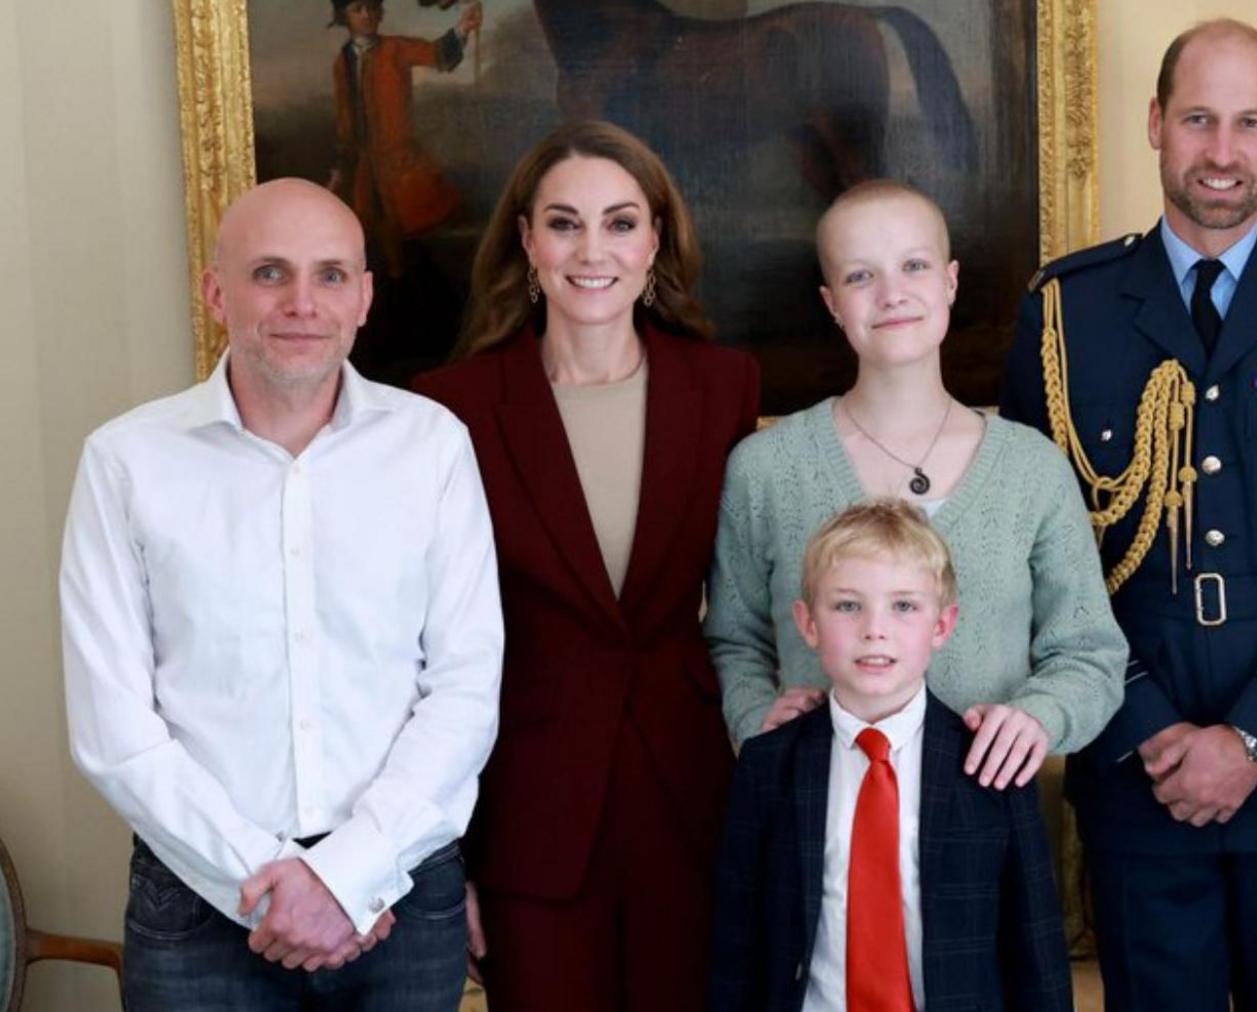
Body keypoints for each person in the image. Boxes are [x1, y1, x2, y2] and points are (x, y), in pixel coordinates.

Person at [1000, 19, 1257, 1011]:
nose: (1223, 152)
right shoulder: (1065, 314)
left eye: (1248, 122)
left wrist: (1254, 739)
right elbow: (1045, 546)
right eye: (1198, 119)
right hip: (1139, 778)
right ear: (1156, 124)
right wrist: (1153, 730)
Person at [60, 178, 503, 1010]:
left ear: (365, 297)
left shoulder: (434, 448)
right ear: (216, 291)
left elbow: (466, 689)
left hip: (400, 894)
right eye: (270, 273)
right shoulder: (126, 463)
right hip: (198, 905)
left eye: (331, 275)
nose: (303, 302)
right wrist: (276, 888)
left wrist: (348, 876)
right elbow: (114, 729)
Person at [412, 120, 760, 1012]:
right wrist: (452, 862)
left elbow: (751, 604)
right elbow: (423, 652)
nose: (592, 249)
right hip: (526, 825)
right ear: (527, 241)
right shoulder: (451, 409)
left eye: (620, 222)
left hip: (690, 810)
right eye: (565, 223)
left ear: (655, 243)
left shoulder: (724, 388)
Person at [706, 179, 1125, 792]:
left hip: (985, 819)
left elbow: (1090, 652)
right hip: (817, 812)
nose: (892, 294)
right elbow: (732, 637)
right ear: (831, 303)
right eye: (860, 277)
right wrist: (754, 721)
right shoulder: (765, 468)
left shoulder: (1031, 468)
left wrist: (1040, 715)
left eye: (914, 266)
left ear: (951, 281)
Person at [709, 499, 1074, 1012]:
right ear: (808, 623)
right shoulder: (769, 765)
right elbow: (736, 946)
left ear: (942, 626)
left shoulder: (993, 767)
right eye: (847, 605)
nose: (874, 629)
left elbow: (1037, 953)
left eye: (903, 606)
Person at [327, 0, 482, 279]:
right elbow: (345, 121)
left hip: (400, 161)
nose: (367, 15)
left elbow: (437, 55)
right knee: (367, 235)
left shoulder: (395, 48)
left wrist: (463, 28)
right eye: (358, 9)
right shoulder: (342, 61)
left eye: (372, 8)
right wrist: (341, 169)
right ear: (344, 16)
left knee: (422, 226)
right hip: (364, 166)